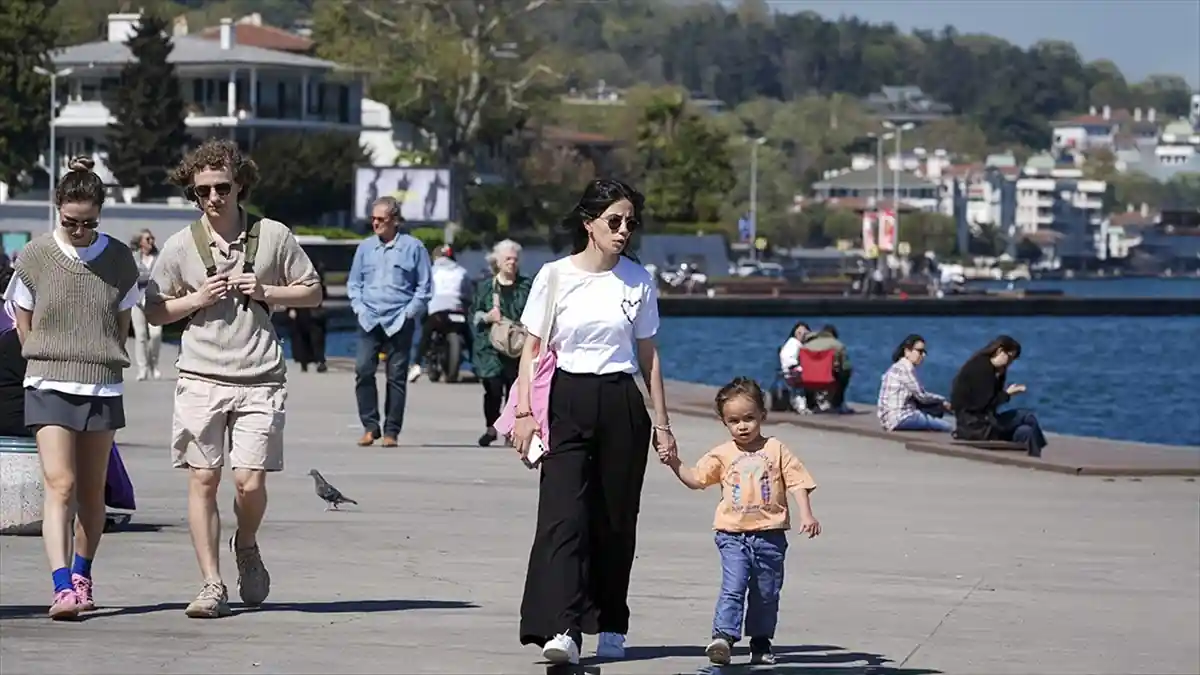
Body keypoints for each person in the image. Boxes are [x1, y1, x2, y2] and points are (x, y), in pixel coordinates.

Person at [144, 139, 323, 618]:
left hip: (259, 375)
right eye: (202, 190)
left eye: (222, 187)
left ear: (241, 183)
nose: (214, 198)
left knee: (248, 483)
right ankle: (210, 583)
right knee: (203, 478)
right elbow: (155, 310)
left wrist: (266, 289)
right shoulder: (181, 245)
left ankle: (245, 543)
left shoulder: (274, 236)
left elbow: (313, 292)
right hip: (200, 374)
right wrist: (197, 300)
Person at [511, 179, 677, 665]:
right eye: (613, 221)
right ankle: (561, 627)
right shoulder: (554, 276)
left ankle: (610, 621)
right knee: (563, 516)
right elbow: (532, 351)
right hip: (566, 397)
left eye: (629, 222)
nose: (623, 230)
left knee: (615, 517)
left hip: (621, 401)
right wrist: (524, 413)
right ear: (590, 224)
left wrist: (661, 424)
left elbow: (648, 357)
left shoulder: (639, 280)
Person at [2, 157, 141, 619]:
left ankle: (83, 572)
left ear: (100, 215)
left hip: (101, 384)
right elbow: (21, 314)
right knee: (59, 484)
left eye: (88, 223)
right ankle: (62, 587)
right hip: (47, 380)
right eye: (70, 222)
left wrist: (102, 353)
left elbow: (123, 320)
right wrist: (38, 352)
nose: (79, 230)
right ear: (56, 208)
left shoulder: (119, 258)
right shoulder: (37, 255)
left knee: (92, 494)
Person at [662, 377, 820, 666]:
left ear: (763, 415)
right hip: (732, 535)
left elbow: (797, 481)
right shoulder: (722, 454)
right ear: (725, 423)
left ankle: (760, 642)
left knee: (766, 593)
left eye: (749, 418)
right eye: (734, 421)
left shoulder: (776, 449)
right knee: (733, 585)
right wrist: (674, 462)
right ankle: (723, 637)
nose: (742, 426)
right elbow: (697, 479)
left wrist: (806, 513)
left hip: (770, 535)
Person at [346, 197, 432, 447]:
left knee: (396, 377)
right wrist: (359, 308)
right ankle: (370, 427)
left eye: (381, 219)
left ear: (395, 221)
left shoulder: (414, 247)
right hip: (369, 318)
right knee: (363, 371)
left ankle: (391, 431)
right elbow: (354, 283)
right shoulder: (365, 248)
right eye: (373, 219)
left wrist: (409, 313)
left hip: (399, 320)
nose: (375, 224)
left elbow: (424, 287)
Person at [470, 239, 531, 447]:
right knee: (493, 388)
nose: (511, 263)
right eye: (507, 259)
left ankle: (509, 429)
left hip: (518, 346)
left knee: (514, 387)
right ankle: (491, 427)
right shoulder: (486, 287)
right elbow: (475, 317)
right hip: (491, 347)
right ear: (497, 261)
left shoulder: (526, 286)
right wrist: (488, 317)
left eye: (515, 259)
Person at [950, 335, 1048, 457]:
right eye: (1010, 358)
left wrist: (1000, 377)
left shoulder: (990, 368)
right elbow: (986, 403)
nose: (1010, 364)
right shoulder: (982, 369)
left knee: (1026, 431)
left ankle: (1035, 459)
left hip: (980, 425)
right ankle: (1041, 448)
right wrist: (1008, 394)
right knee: (1027, 416)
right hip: (978, 426)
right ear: (1000, 351)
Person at [410, 244, 474, 382]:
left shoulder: (431, 271)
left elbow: (422, 291)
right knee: (469, 337)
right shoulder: (462, 272)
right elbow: (469, 293)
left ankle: (416, 364)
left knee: (425, 335)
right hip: (458, 310)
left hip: (437, 311)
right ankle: (477, 363)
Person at [877, 334, 953, 432]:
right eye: (920, 351)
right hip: (900, 418)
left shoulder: (896, 367)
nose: (923, 355)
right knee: (948, 427)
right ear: (907, 351)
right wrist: (943, 401)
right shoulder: (905, 368)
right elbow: (922, 396)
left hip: (888, 419)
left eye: (924, 352)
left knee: (933, 410)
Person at [129, 229, 163, 380]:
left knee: (156, 335)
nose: (151, 242)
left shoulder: (159, 257)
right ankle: (142, 369)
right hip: (137, 301)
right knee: (141, 336)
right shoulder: (134, 258)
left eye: (152, 238)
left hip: (155, 300)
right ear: (140, 242)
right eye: (147, 239)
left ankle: (153, 365)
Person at [798, 324, 853, 413]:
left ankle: (811, 404)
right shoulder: (838, 345)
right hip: (827, 379)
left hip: (808, 379)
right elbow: (845, 366)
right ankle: (837, 403)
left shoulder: (806, 346)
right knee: (845, 372)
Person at [289, 262, 328, 373]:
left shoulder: (296, 279)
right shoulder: (317, 280)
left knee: (305, 337)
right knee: (315, 338)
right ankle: (316, 360)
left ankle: (306, 361)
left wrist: (291, 308)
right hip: (312, 310)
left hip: (303, 310)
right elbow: (324, 294)